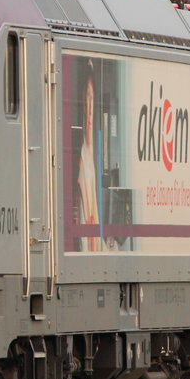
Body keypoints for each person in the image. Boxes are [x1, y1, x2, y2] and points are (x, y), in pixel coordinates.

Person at [76, 69, 101, 251]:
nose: (89, 111)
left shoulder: (95, 160)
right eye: (86, 101)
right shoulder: (81, 160)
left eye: (92, 101)